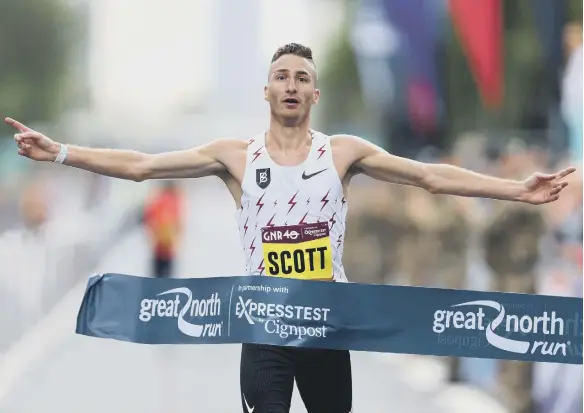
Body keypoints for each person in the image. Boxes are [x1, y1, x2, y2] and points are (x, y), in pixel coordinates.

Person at [5, 43, 576, 413]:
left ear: (314, 94)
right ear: (267, 90)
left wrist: (516, 190)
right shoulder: (235, 155)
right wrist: (60, 154)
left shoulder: (342, 152)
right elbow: (143, 166)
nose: (291, 85)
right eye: (281, 76)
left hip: (328, 325)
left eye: (302, 77)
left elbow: (427, 176)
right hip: (264, 329)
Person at [143, 181, 183, 279]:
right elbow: (178, 222)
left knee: (158, 273)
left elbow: (149, 217)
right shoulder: (174, 200)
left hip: (160, 244)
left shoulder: (158, 199)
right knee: (166, 273)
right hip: (167, 245)